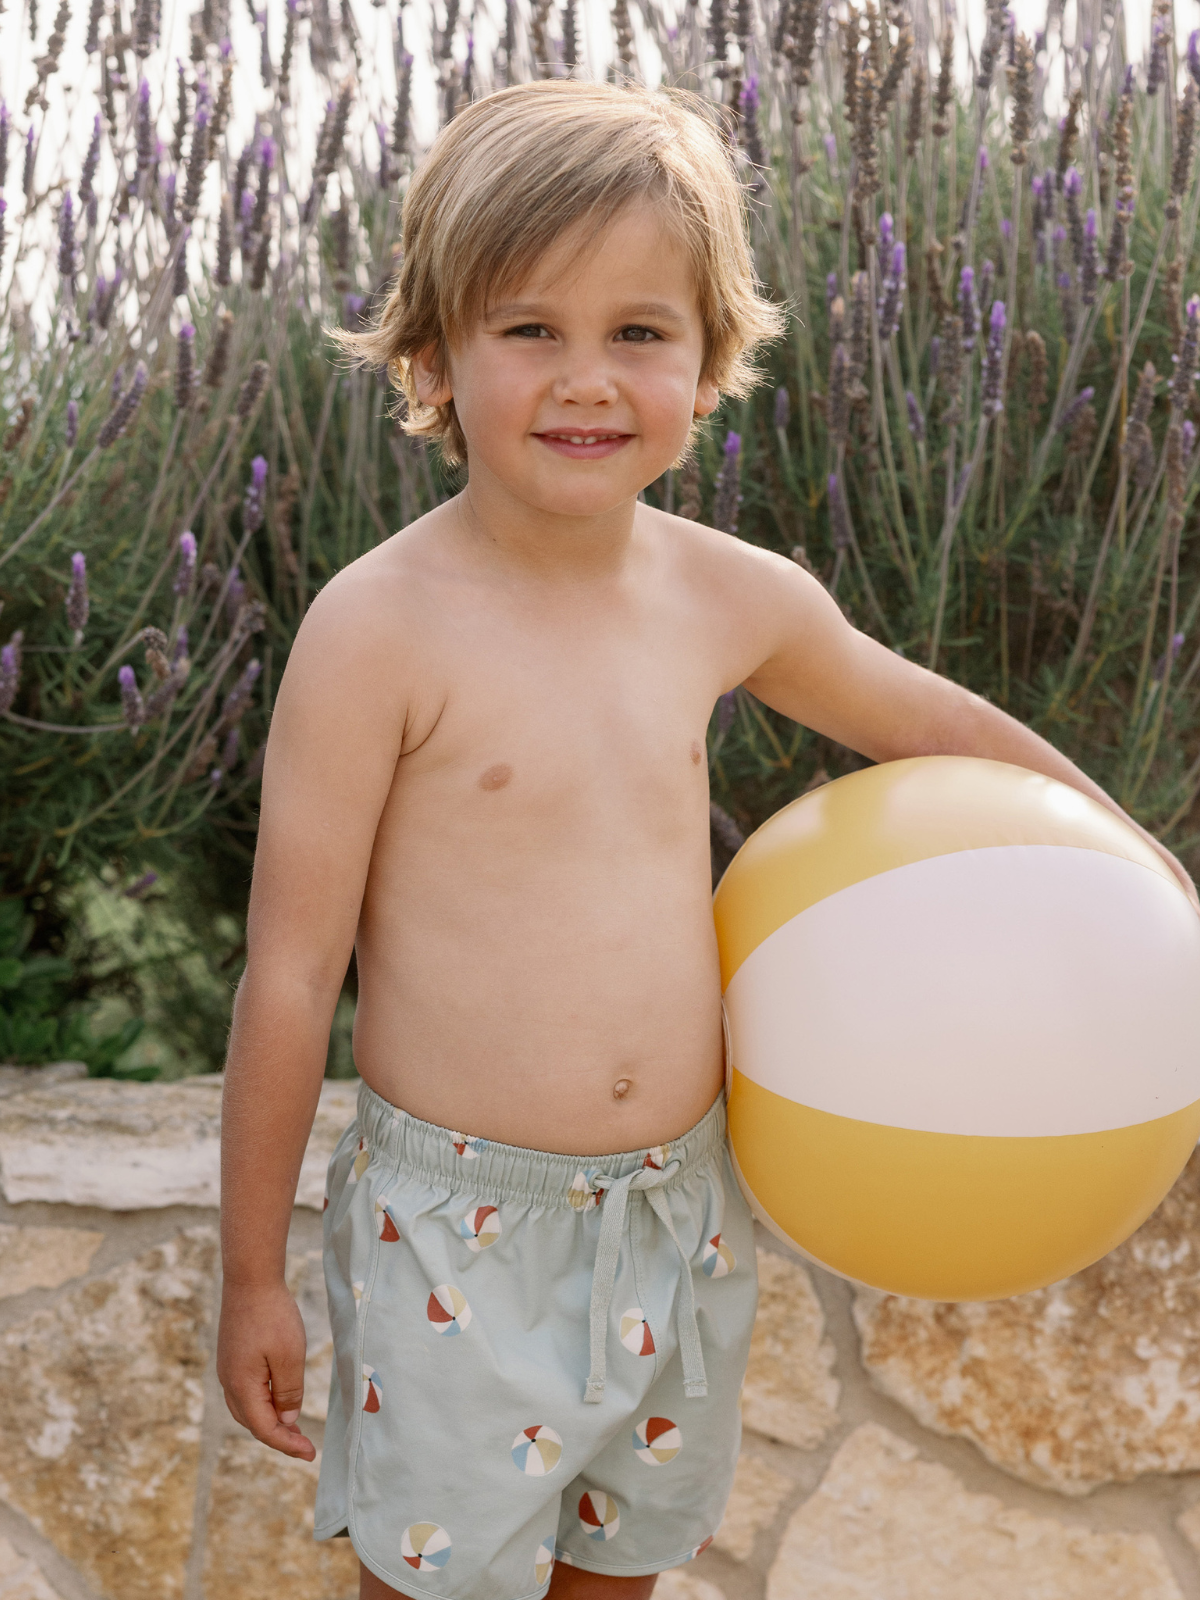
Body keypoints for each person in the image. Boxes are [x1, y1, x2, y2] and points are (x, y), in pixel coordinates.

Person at [215, 78, 1198, 1600]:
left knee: (624, 1575)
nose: (585, 379)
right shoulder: (378, 633)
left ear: (709, 355)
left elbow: (935, 725)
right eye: (528, 330)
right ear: (432, 353)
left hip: (680, 1220)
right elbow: (289, 974)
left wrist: (1142, 868)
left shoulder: (731, 598)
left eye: (639, 333)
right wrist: (253, 1274)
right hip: (456, 1242)